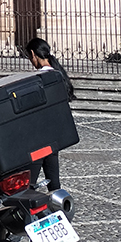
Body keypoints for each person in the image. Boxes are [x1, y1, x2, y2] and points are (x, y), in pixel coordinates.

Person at [23, 37, 74, 190]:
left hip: (38, 138)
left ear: (33, 54)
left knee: (28, 183)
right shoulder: (58, 76)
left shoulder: (37, 79)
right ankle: (59, 211)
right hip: (53, 137)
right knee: (54, 182)